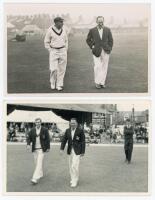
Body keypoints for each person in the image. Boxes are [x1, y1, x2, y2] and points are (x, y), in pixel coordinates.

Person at [86, 16, 113, 89]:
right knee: (98, 66)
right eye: (99, 22)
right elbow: (88, 40)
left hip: (106, 50)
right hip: (96, 51)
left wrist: (109, 48)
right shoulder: (92, 30)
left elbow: (111, 40)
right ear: (96, 22)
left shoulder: (107, 29)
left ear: (103, 21)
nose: (100, 23)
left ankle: (102, 83)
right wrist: (92, 47)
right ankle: (97, 82)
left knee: (104, 67)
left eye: (102, 22)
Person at [44, 17, 68, 91]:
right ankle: (52, 83)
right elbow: (46, 41)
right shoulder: (50, 30)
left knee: (62, 69)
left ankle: (59, 85)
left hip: (63, 50)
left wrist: (65, 49)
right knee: (53, 69)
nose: (62, 23)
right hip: (54, 51)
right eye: (61, 22)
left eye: (62, 22)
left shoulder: (64, 29)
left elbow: (66, 40)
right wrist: (50, 50)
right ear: (56, 22)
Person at [60, 118, 85, 188]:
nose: (73, 124)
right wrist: (62, 149)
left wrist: (83, 151)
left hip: (77, 151)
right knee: (70, 166)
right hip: (70, 151)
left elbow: (83, 141)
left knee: (74, 166)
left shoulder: (80, 131)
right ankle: (73, 178)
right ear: (70, 123)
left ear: (76, 123)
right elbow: (64, 140)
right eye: (71, 123)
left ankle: (75, 180)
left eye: (74, 123)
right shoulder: (67, 131)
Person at [27, 118, 50, 184]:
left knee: (39, 162)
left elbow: (47, 139)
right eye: (36, 122)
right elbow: (29, 138)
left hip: (41, 149)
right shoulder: (32, 130)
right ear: (35, 123)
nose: (38, 123)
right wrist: (28, 144)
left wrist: (48, 147)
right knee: (36, 163)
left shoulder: (45, 130)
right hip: (35, 149)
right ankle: (41, 173)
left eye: (39, 122)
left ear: (41, 122)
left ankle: (35, 178)